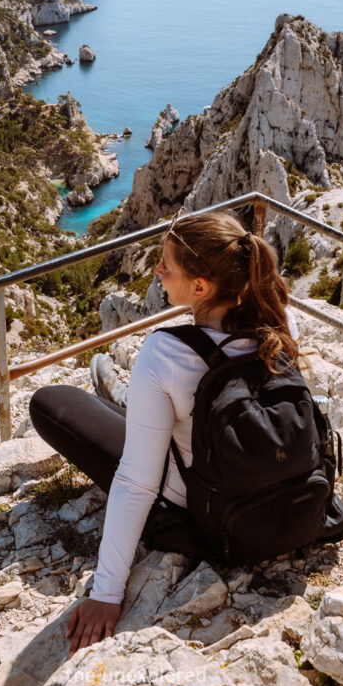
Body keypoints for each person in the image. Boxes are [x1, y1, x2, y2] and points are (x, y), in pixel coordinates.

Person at [28, 209, 300, 657]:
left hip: (202, 514)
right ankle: (122, 396)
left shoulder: (163, 352)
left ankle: (115, 391)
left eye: (166, 265)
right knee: (147, 414)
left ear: (199, 287)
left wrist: (106, 593)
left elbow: (137, 480)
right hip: (280, 506)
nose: (157, 270)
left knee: (52, 403)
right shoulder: (276, 326)